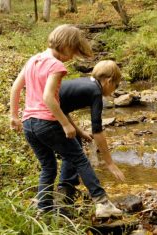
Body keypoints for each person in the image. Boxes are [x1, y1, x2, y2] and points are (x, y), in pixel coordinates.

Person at [10, 24, 124, 218]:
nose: (72, 58)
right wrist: (64, 124)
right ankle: (102, 203)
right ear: (65, 44)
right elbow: (48, 97)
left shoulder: (33, 60)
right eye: (73, 51)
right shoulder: (56, 65)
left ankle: (43, 208)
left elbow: (16, 87)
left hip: (29, 123)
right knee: (79, 158)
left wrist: (13, 115)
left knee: (48, 166)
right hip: (47, 122)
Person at [57, 60, 125, 217]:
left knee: (74, 144)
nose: (115, 90)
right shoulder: (95, 92)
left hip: (38, 116)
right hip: (46, 118)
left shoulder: (85, 83)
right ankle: (100, 203)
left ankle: (65, 190)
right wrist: (110, 163)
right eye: (116, 86)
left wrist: (79, 132)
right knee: (79, 158)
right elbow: (98, 131)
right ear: (108, 81)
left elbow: (63, 109)